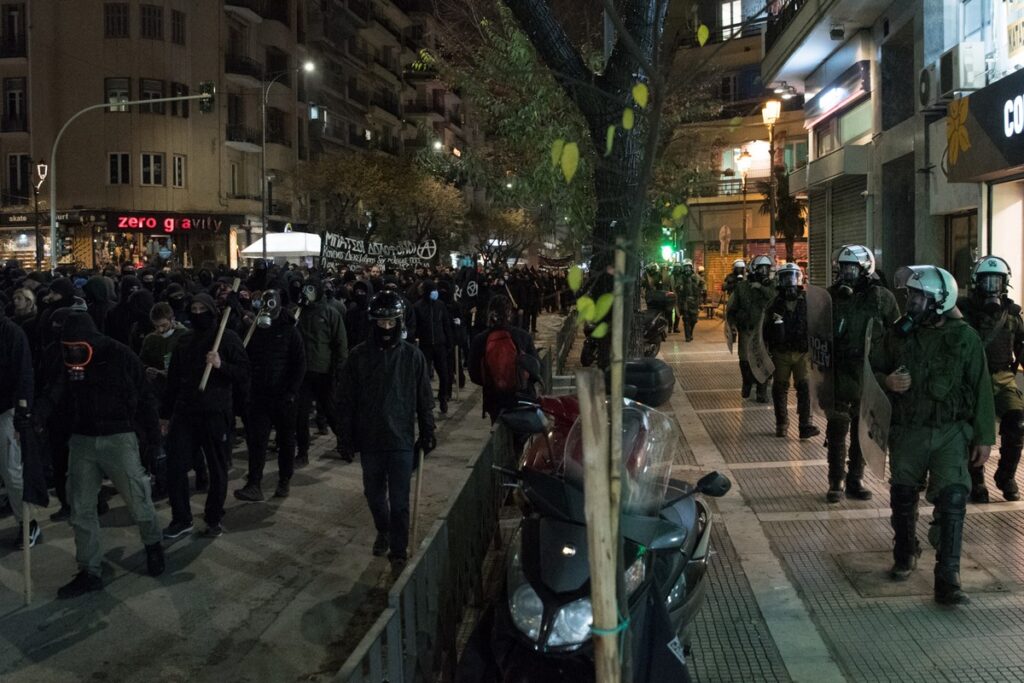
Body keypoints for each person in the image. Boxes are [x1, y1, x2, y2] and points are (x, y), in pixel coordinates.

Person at [871, 265, 994, 605]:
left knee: (953, 499)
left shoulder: (965, 338)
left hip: (950, 432)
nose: (910, 303)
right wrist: (886, 382)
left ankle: (948, 576)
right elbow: (871, 368)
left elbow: (981, 387)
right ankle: (905, 551)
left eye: (917, 297)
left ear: (939, 300)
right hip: (908, 429)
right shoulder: (899, 334)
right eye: (910, 296)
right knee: (903, 494)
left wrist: (984, 437)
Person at [35, 312, 165, 598]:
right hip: (82, 439)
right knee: (80, 507)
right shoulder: (69, 357)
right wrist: (38, 416)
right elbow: (55, 388)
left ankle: (153, 544)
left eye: (76, 345)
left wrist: (154, 440)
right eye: (67, 346)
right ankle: (89, 569)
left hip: (118, 437)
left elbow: (145, 397)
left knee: (137, 497)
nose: (71, 351)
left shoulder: (120, 355)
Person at [338, 291, 436, 576]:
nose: (386, 328)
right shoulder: (358, 357)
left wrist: (427, 430)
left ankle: (398, 551)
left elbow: (424, 399)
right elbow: (346, 400)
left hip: (401, 439)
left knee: (400, 500)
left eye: (391, 323)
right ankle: (384, 529)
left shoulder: (412, 357)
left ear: (399, 322)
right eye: (381, 323)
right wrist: (345, 436)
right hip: (370, 439)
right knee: (374, 495)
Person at [162, 294, 250, 539]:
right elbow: (173, 379)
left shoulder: (227, 338)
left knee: (217, 468)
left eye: (203, 308)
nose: (198, 312)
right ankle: (181, 518)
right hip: (185, 412)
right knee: (175, 465)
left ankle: (213, 518)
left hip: (215, 412)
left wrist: (221, 365)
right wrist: (165, 414)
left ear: (212, 311)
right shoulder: (184, 341)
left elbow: (244, 373)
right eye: (194, 308)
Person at [826, 245, 899, 503]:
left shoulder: (882, 298)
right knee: (837, 427)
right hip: (839, 371)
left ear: (865, 269)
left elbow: (895, 335)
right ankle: (835, 480)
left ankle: (855, 479)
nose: (847, 274)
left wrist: (890, 371)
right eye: (844, 268)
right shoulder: (830, 297)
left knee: (862, 428)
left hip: (869, 373)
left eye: (852, 269)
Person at [959, 255, 1024, 503]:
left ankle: (1006, 477)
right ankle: (976, 480)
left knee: (1018, 422)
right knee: (972, 426)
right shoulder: (963, 312)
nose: (991, 287)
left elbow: (1021, 346)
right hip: (972, 380)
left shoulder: (1012, 315)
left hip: (1003, 378)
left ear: (1005, 284)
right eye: (987, 281)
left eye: (996, 282)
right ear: (977, 282)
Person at [235, 289, 305, 501]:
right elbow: (245, 357)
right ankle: (254, 483)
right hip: (259, 396)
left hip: (284, 398)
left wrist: (291, 392)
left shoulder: (290, 331)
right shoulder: (254, 330)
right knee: (257, 441)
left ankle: (284, 480)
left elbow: (299, 364)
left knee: (286, 440)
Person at [293, 277, 348, 465]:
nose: (307, 292)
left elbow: (340, 343)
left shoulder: (330, 313)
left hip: (323, 372)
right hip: (302, 372)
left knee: (331, 410)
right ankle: (303, 452)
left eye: (311, 289)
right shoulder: (298, 313)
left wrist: (339, 369)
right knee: (300, 415)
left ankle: (344, 443)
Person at [764, 263, 820, 440]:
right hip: (781, 353)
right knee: (780, 388)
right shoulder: (774, 304)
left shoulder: (808, 302)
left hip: (802, 353)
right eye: (786, 278)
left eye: (793, 277)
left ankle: (805, 425)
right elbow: (764, 329)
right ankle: (781, 424)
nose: (790, 282)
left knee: (804, 387)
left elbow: (818, 324)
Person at [0, 301, 38, 548]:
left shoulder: (12, 333)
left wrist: (22, 414)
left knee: (11, 470)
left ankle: (28, 522)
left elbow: (24, 373)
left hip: (6, 410)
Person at [468, 294, 539, 422]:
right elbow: (535, 369)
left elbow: (474, 374)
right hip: (522, 397)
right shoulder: (523, 336)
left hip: (494, 399)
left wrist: (493, 381)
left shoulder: (480, 340)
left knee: (499, 430)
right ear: (509, 314)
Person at [726, 255, 774, 403]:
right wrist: (732, 325)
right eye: (761, 269)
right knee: (745, 359)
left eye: (767, 269)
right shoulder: (741, 287)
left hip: (764, 331)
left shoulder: (771, 286)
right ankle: (747, 382)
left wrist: (761, 288)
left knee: (763, 361)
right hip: (746, 329)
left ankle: (761, 392)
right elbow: (732, 308)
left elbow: (774, 298)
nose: (764, 272)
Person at [412, 280, 454, 413]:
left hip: (440, 344)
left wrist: (449, 341)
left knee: (444, 374)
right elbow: (415, 326)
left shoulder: (440, 305)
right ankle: (425, 401)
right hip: (425, 345)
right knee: (424, 375)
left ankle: (443, 397)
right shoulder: (418, 306)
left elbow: (446, 323)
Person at [673, 259, 705, 342]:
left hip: (694, 301)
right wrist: (679, 287)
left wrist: (702, 289)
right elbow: (677, 286)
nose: (687, 268)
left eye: (688, 266)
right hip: (685, 301)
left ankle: (690, 333)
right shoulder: (681, 277)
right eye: (685, 267)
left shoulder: (696, 276)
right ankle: (687, 336)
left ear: (691, 267)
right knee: (686, 319)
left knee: (694, 320)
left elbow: (703, 283)